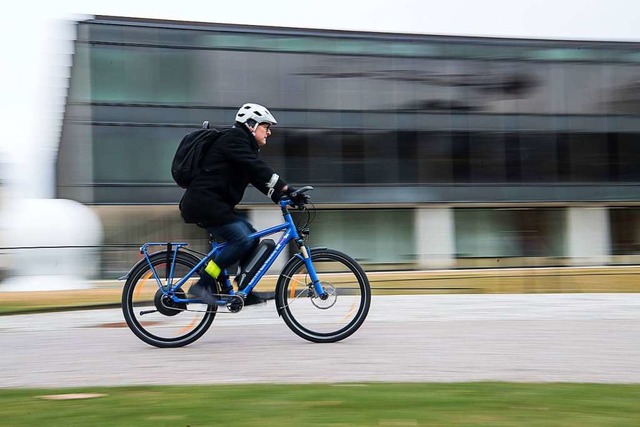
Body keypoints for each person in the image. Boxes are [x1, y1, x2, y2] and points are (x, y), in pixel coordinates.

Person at [179, 102, 303, 305]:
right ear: (252, 124)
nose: (269, 133)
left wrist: (282, 197)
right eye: (266, 127)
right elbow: (256, 168)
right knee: (242, 239)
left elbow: (257, 177)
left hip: (215, 205)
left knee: (252, 237)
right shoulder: (234, 138)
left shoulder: (243, 146)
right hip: (205, 204)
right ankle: (203, 284)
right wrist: (285, 187)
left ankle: (246, 288)